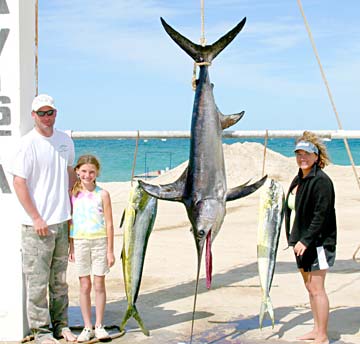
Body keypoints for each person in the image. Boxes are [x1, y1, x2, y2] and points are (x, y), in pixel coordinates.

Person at [11, 94, 77, 344]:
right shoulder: (26, 144)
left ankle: (62, 326)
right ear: (33, 116)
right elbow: (19, 183)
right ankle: (41, 331)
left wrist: (69, 207)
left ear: (55, 113)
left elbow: (69, 172)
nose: (46, 117)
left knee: (59, 281)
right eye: (41, 113)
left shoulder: (65, 141)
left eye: (50, 112)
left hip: (61, 222)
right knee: (37, 283)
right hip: (36, 226)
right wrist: (36, 217)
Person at [285, 131, 337, 344]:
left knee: (317, 289)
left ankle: (322, 335)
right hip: (300, 243)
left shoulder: (321, 181)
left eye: (306, 154)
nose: (302, 158)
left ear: (317, 156)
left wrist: (306, 240)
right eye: (298, 154)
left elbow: (321, 215)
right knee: (309, 288)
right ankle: (315, 329)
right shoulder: (300, 178)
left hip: (317, 243)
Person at [69, 155, 115, 342]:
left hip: (99, 242)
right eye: (84, 171)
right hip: (80, 242)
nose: (87, 175)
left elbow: (110, 224)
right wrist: (71, 245)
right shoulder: (73, 193)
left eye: (92, 172)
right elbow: (71, 221)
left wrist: (110, 250)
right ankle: (87, 326)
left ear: (97, 173)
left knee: (99, 284)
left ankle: (99, 325)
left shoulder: (102, 194)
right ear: (78, 172)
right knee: (84, 285)